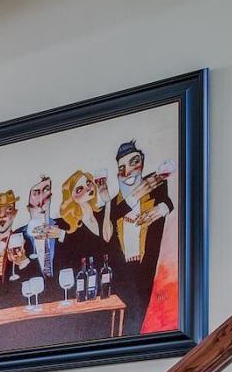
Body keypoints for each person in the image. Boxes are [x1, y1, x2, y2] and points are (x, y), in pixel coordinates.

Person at [105, 140, 174, 333]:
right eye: (122, 168)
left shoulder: (154, 187)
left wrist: (161, 208)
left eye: (134, 162)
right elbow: (109, 224)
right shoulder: (114, 203)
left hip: (148, 266)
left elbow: (170, 199)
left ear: (142, 163)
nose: (127, 172)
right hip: (123, 272)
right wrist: (134, 196)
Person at [54, 169, 107, 297]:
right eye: (79, 189)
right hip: (90, 288)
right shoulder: (72, 226)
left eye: (88, 183)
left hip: (112, 281)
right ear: (71, 199)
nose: (88, 188)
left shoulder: (103, 213)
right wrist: (62, 236)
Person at [16, 175, 65, 301]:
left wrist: (62, 235)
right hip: (34, 302)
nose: (42, 197)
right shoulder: (17, 237)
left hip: (65, 296)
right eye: (36, 192)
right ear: (28, 205)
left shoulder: (65, 226)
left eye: (46, 190)